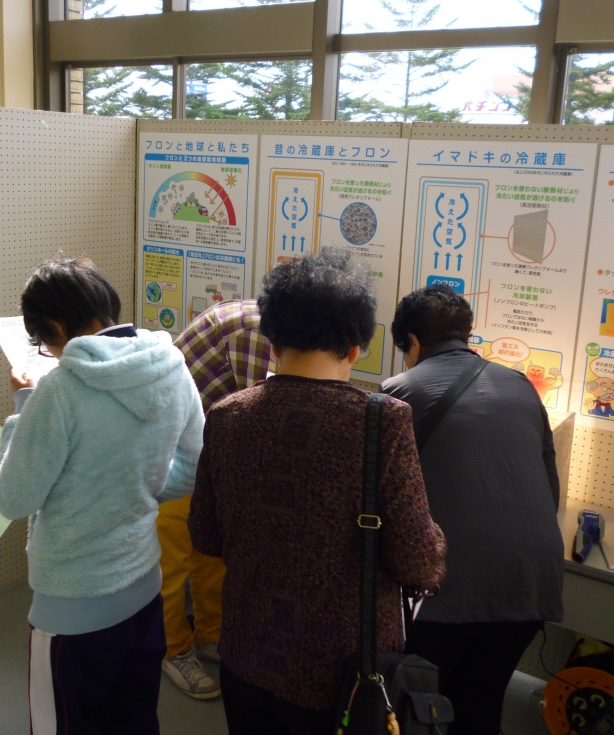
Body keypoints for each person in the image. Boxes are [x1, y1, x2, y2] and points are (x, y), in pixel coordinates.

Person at [189, 248, 446, 735]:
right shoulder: (381, 422)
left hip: (245, 655)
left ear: (272, 341)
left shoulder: (226, 416)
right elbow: (418, 562)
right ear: (355, 346)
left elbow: (205, 536)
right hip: (343, 679)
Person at [0, 257, 204, 735]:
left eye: (43, 341)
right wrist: (137, 491)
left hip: (72, 603)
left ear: (56, 326)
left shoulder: (58, 391)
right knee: (134, 720)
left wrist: (23, 404)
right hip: (144, 587)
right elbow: (193, 467)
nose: (47, 352)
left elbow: (12, 499)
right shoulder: (171, 365)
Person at [381, 284, 564, 735]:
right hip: (531, 584)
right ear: (466, 333)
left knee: (420, 707)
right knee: (482, 705)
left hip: (450, 590)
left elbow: (384, 501)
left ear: (412, 341)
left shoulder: (398, 393)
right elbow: (550, 486)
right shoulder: (520, 385)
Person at [159, 299, 272, 700]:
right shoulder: (255, 332)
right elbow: (258, 415)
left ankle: (210, 635)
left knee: (210, 553)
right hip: (172, 452)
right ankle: (173, 649)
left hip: (203, 451)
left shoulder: (256, 319)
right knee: (172, 562)